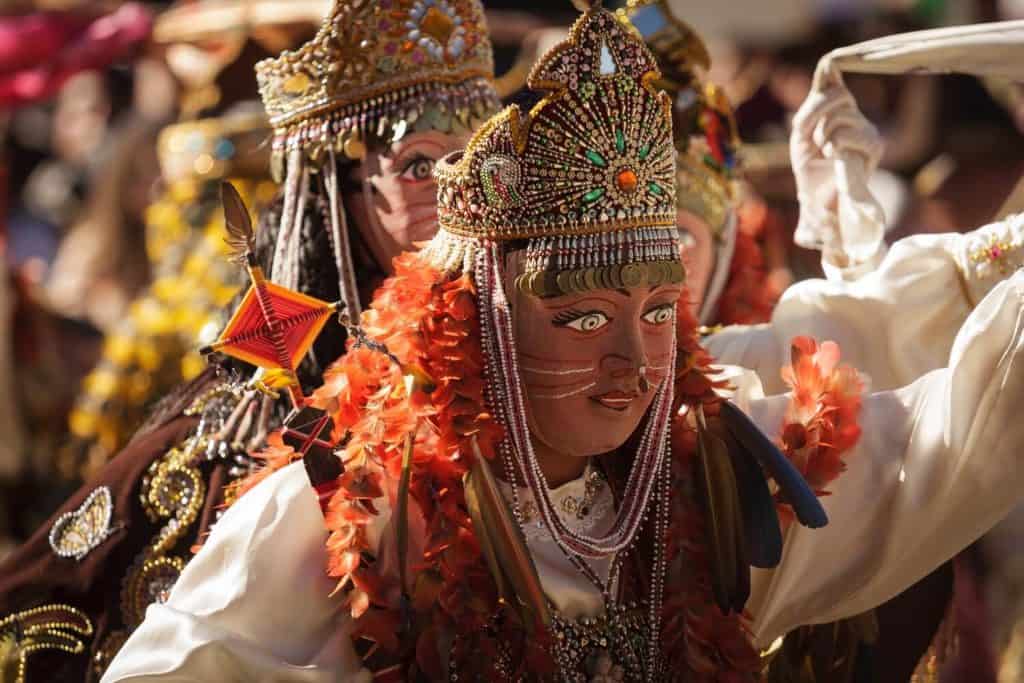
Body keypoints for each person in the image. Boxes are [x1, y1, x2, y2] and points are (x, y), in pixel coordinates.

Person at [101, 4, 1024, 680]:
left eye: (662, 311)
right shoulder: (352, 505)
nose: (632, 364)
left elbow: (945, 437)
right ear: (482, 320)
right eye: (583, 319)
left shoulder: (710, 477)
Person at [0, 0, 499, 679]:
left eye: (476, 160)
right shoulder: (257, 406)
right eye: (419, 166)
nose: (458, 193)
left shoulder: (539, 348)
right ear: (340, 192)